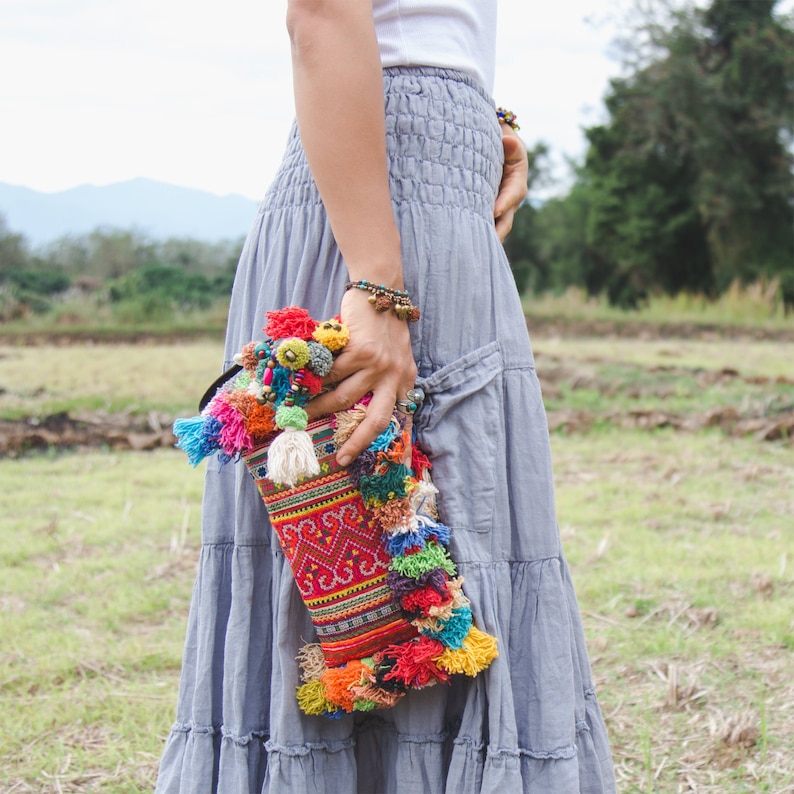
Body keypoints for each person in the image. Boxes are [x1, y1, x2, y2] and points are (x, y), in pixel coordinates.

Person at [155, 1, 616, 792]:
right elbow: (324, 13)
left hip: (421, 186)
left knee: (455, 521)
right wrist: (375, 280)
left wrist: (480, 115)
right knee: (367, 520)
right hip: (379, 219)